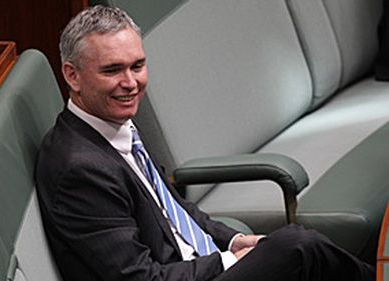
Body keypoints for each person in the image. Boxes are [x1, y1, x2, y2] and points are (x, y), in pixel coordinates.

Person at [36, 5, 375, 281]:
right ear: (72, 75)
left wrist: (234, 240)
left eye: (137, 66)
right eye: (112, 70)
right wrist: (228, 260)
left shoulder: (114, 124)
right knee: (299, 246)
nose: (130, 83)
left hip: (195, 266)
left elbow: (174, 209)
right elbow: (140, 278)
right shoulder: (79, 169)